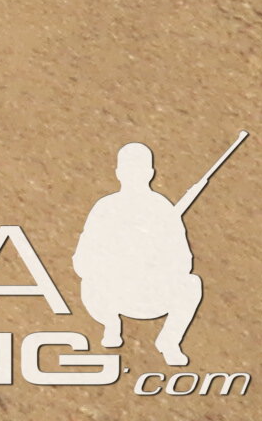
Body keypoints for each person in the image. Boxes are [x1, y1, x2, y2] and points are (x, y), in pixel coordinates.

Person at [75, 142, 209, 366]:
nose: (133, 176)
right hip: (112, 293)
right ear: (119, 173)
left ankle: (169, 341)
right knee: (89, 283)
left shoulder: (162, 209)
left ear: (150, 173)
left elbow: (184, 261)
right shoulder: (105, 208)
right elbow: (82, 260)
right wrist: (116, 260)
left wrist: (154, 260)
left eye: (138, 170)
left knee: (191, 284)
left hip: (152, 292)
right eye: (129, 170)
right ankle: (110, 324)